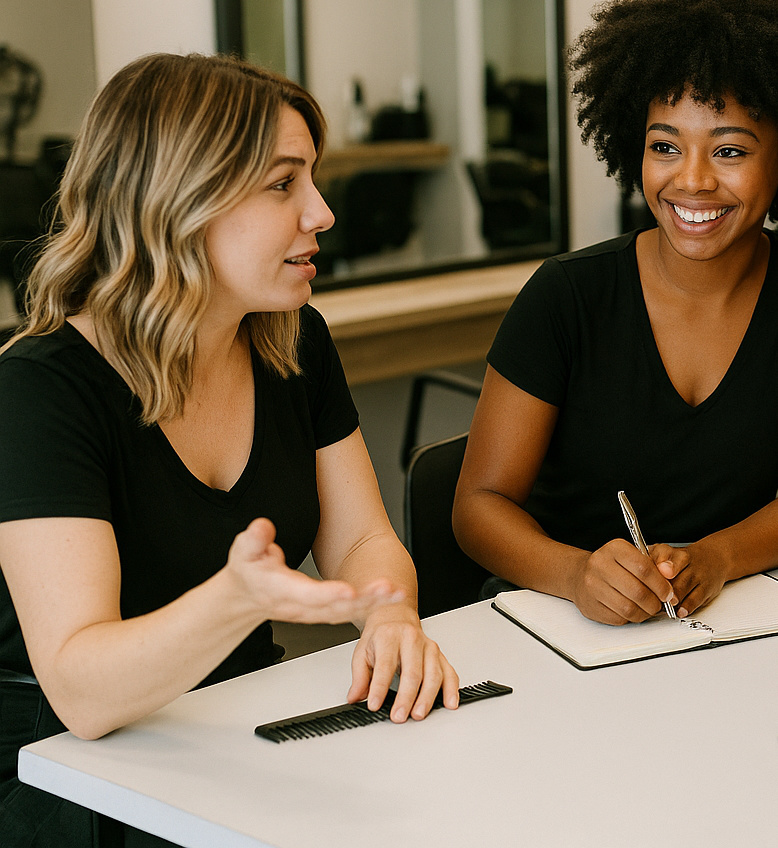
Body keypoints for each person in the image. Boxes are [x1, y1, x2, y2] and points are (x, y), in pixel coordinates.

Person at [0, 54, 458, 847]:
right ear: (179, 201)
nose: (321, 213)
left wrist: (390, 614)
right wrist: (237, 598)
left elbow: (358, 539)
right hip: (70, 771)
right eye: (283, 185)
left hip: (235, 725)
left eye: (312, 180)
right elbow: (81, 689)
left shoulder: (293, 340)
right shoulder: (40, 389)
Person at [453, 0, 778, 625]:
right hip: (554, 616)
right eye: (664, 146)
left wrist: (715, 556)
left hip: (718, 610)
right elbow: (477, 507)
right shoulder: (566, 296)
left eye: (731, 151)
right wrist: (575, 573)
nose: (692, 181)